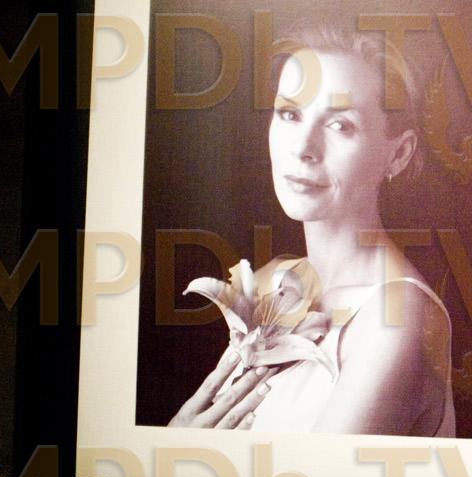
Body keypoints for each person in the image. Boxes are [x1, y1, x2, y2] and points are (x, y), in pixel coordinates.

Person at [171, 21, 455, 437]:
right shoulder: (273, 282)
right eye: (290, 114)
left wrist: (175, 450)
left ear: (398, 154)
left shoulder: (396, 320)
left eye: (341, 125)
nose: (303, 148)